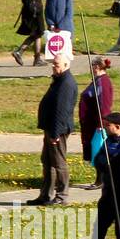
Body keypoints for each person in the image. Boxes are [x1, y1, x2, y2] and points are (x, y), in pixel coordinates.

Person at [72, 112, 120, 239]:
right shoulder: (109, 141)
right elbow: (98, 159)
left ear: (118, 126)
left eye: (108, 125)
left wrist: (113, 163)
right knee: (98, 229)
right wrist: (109, 163)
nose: (106, 127)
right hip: (107, 194)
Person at [31, 54, 78, 206]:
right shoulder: (59, 80)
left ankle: (62, 196)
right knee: (47, 161)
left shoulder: (66, 83)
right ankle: (45, 195)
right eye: (53, 64)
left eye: (57, 64)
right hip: (51, 128)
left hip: (57, 130)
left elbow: (61, 110)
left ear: (66, 65)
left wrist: (55, 133)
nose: (53, 66)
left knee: (59, 163)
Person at [78, 57, 114, 189]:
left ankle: (101, 180)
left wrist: (102, 123)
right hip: (90, 123)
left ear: (97, 67)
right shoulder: (97, 81)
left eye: (92, 66)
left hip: (98, 124)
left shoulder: (103, 82)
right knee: (95, 150)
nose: (91, 68)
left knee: (99, 151)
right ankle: (100, 178)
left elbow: (104, 104)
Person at [12, 0, 48, 65]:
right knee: (37, 33)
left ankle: (36, 58)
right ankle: (20, 51)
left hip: (29, 11)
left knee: (37, 34)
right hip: (35, 12)